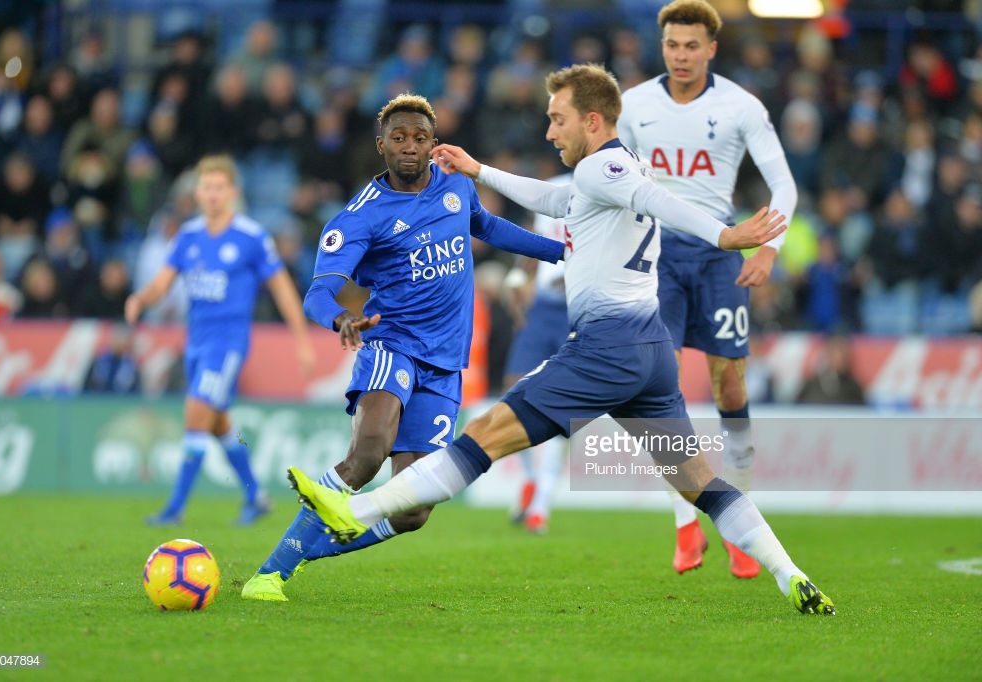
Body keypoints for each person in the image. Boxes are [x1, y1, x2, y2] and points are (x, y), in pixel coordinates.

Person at [286, 64, 834, 616]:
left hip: (606, 348)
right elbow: (557, 202)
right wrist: (481, 171)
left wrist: (727, 234)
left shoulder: (607, 167)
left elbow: (658, 202)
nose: (550, 132)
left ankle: (354, 512)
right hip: (651, 355)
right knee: (699, 482)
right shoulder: (608, 170)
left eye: (558, 119)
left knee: (483, 436)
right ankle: (791, 575)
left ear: (591, 120)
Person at [240, 93, 565, 602]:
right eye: (398, 138)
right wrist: (343, 317)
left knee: (413, 511)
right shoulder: (359, 217)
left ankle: (310, 548)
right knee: (369, 451)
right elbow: (318, 292)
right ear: (381, 145)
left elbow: (489, 227)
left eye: (419, 138)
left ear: (433, 143)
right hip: (392, 342)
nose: (410, 147)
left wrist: (564, 253)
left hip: (445, 361)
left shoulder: (456, 184)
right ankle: (271, 573)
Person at [617, 0, 798, 579]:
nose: (682, 56)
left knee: (729, 384)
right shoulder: (634, 105)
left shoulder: (741, 106)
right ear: (662, 45)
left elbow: (783, 184)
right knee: (659, 387)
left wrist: (769, 246)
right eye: (673, 45)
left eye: (693, 46)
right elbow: (607, 177)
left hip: (720, 253)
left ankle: (740, 524)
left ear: (712, 48)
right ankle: (685, 522)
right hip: (655, 256)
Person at [125, 154, 316, 526]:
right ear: (197, 193)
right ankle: (256, 496)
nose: (212, 194)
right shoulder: (188, 236)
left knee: (196, 412)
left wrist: (303, 341)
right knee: (217, 423)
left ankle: (174, 509)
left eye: (219, 188)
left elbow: (282, 289)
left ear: (232, 192)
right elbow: (161, 285)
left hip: (228, 344)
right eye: (206, 187)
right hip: (195, 341)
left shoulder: (251, 237)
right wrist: (139, 299)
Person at [504, 174, 572, 535]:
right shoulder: (557, 183)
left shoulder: (614, 176)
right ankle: (530, 480)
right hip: (543, 306)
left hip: (581, 307)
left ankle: (541, 505)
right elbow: (536, 236)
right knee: (514, 391)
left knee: (562, 408)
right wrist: (517, 278)